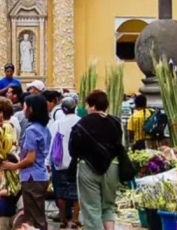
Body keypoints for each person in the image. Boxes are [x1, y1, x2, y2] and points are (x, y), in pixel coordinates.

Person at [69, 90, 123, 230]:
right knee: (108, 207)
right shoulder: (116, 122)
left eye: (87, 105)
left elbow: (73, 148)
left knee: (92, 209)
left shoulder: (83, 123)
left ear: (93, 106)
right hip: (113, 166)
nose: (87, 109)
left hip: (88, 169)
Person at [3, 94, 51, 230]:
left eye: (25, 106)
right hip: (40, 175)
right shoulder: (44, 129)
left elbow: (30, 158)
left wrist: (14, 166)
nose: (23, 109)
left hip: (31, 177)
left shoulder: (32, 130)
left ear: (31, 109)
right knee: (38, 215)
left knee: (34, 218)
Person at [51, 97, 80, 229]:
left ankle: (63, 219)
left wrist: (48, 161)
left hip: (60, 162)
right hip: (76, 161)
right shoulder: (81, 122)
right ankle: (75, 219)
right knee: (76, 193)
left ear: (62, 109)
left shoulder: (58, 123)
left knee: (61, 192)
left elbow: (52, 143)